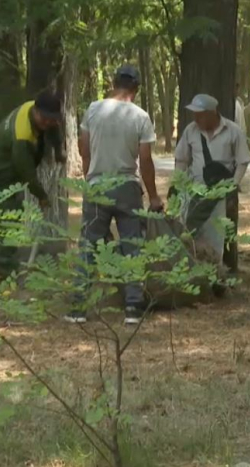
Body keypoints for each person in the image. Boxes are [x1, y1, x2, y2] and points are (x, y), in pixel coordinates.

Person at [69, 65, 162, 325]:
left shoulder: (93, 110)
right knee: (132, 243)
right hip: (127, 187)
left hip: (97, 185)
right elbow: (145, 159)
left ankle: (78, 306)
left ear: (114, 83)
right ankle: (133, 306)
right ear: (136, 89)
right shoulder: (141, 117)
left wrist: (91, 180)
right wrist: (153, 196)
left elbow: (84, 149)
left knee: (88, 244)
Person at [0, 90, 62, 278]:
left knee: (5, 216)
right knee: (9, 219)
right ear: (37, 112)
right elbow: (27, 173)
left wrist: (58, 151)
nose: (48, 123)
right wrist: (42, 196)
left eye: (52, 119)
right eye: (45, 119)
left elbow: (54, 128)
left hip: (6, 172)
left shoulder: (34, 107)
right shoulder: (22, 135)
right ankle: (6, 271)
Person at [174, 94, 250, 276]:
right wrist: (178, 184)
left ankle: (218, 275)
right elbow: (182, 159)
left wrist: (233, 185)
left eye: (200, 114)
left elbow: (243, 161)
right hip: (194, 192)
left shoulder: (233, 131)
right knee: (191, 232)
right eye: (194, 114)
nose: (196, 118)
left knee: (219, 235)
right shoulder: (190, 131)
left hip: (221, 194)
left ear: (212, 113)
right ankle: (192, 273)